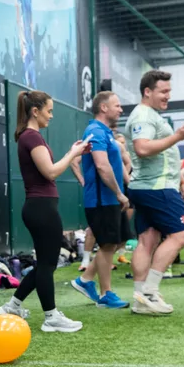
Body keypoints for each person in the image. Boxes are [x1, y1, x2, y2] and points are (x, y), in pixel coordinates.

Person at [0, 90, 88, 332]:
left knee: (44, 264)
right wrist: (73, 154)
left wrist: (71, 153)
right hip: (41, 208)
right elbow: (51, 172)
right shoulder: (31, 137)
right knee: (47, 265)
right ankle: (51, 317)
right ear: (35, 111)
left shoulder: (30, 137)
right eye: (49, 110)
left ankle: (12, 306)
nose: (52, 116)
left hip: (41, 207)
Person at [123, 70, 184, 315]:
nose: (168, 96)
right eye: (163, 91)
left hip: (150, 186)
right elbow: (142, 148)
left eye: (169, 91)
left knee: (147, 241)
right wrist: (178, 136)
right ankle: (149, 292)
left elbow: (164, 155)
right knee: (181, 236)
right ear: (148, 91)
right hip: (157, 188)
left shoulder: (150, 114)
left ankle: (139, 299)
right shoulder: (143, 115)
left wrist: (182, 179)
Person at [70, 91, 130, 310]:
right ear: (104, 108)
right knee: (107, 246)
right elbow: (102, 167)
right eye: (117, 105)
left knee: (110, 245)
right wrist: (119, 194)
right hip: (101, 200)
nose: (121, 109)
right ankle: (106, 294)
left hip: (108, 199)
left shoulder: (104, 132)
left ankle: (85, 280)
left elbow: (115, 165)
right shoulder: (95, 131)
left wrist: (124, 187)